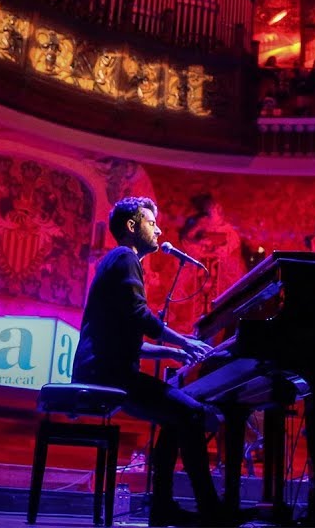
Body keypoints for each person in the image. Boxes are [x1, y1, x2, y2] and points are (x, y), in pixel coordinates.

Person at [72, 196, 226, 527]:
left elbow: (125, 338)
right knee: (193, 413)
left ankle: (163, 508)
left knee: (177, 417)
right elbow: (140, 316)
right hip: (110, 375)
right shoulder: (125, 258)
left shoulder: (117, 261)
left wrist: (171, 351)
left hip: (107, 368)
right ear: (132, 226)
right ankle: (211, 512)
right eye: (151, 222)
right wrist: (181, 340)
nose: (159, 229)